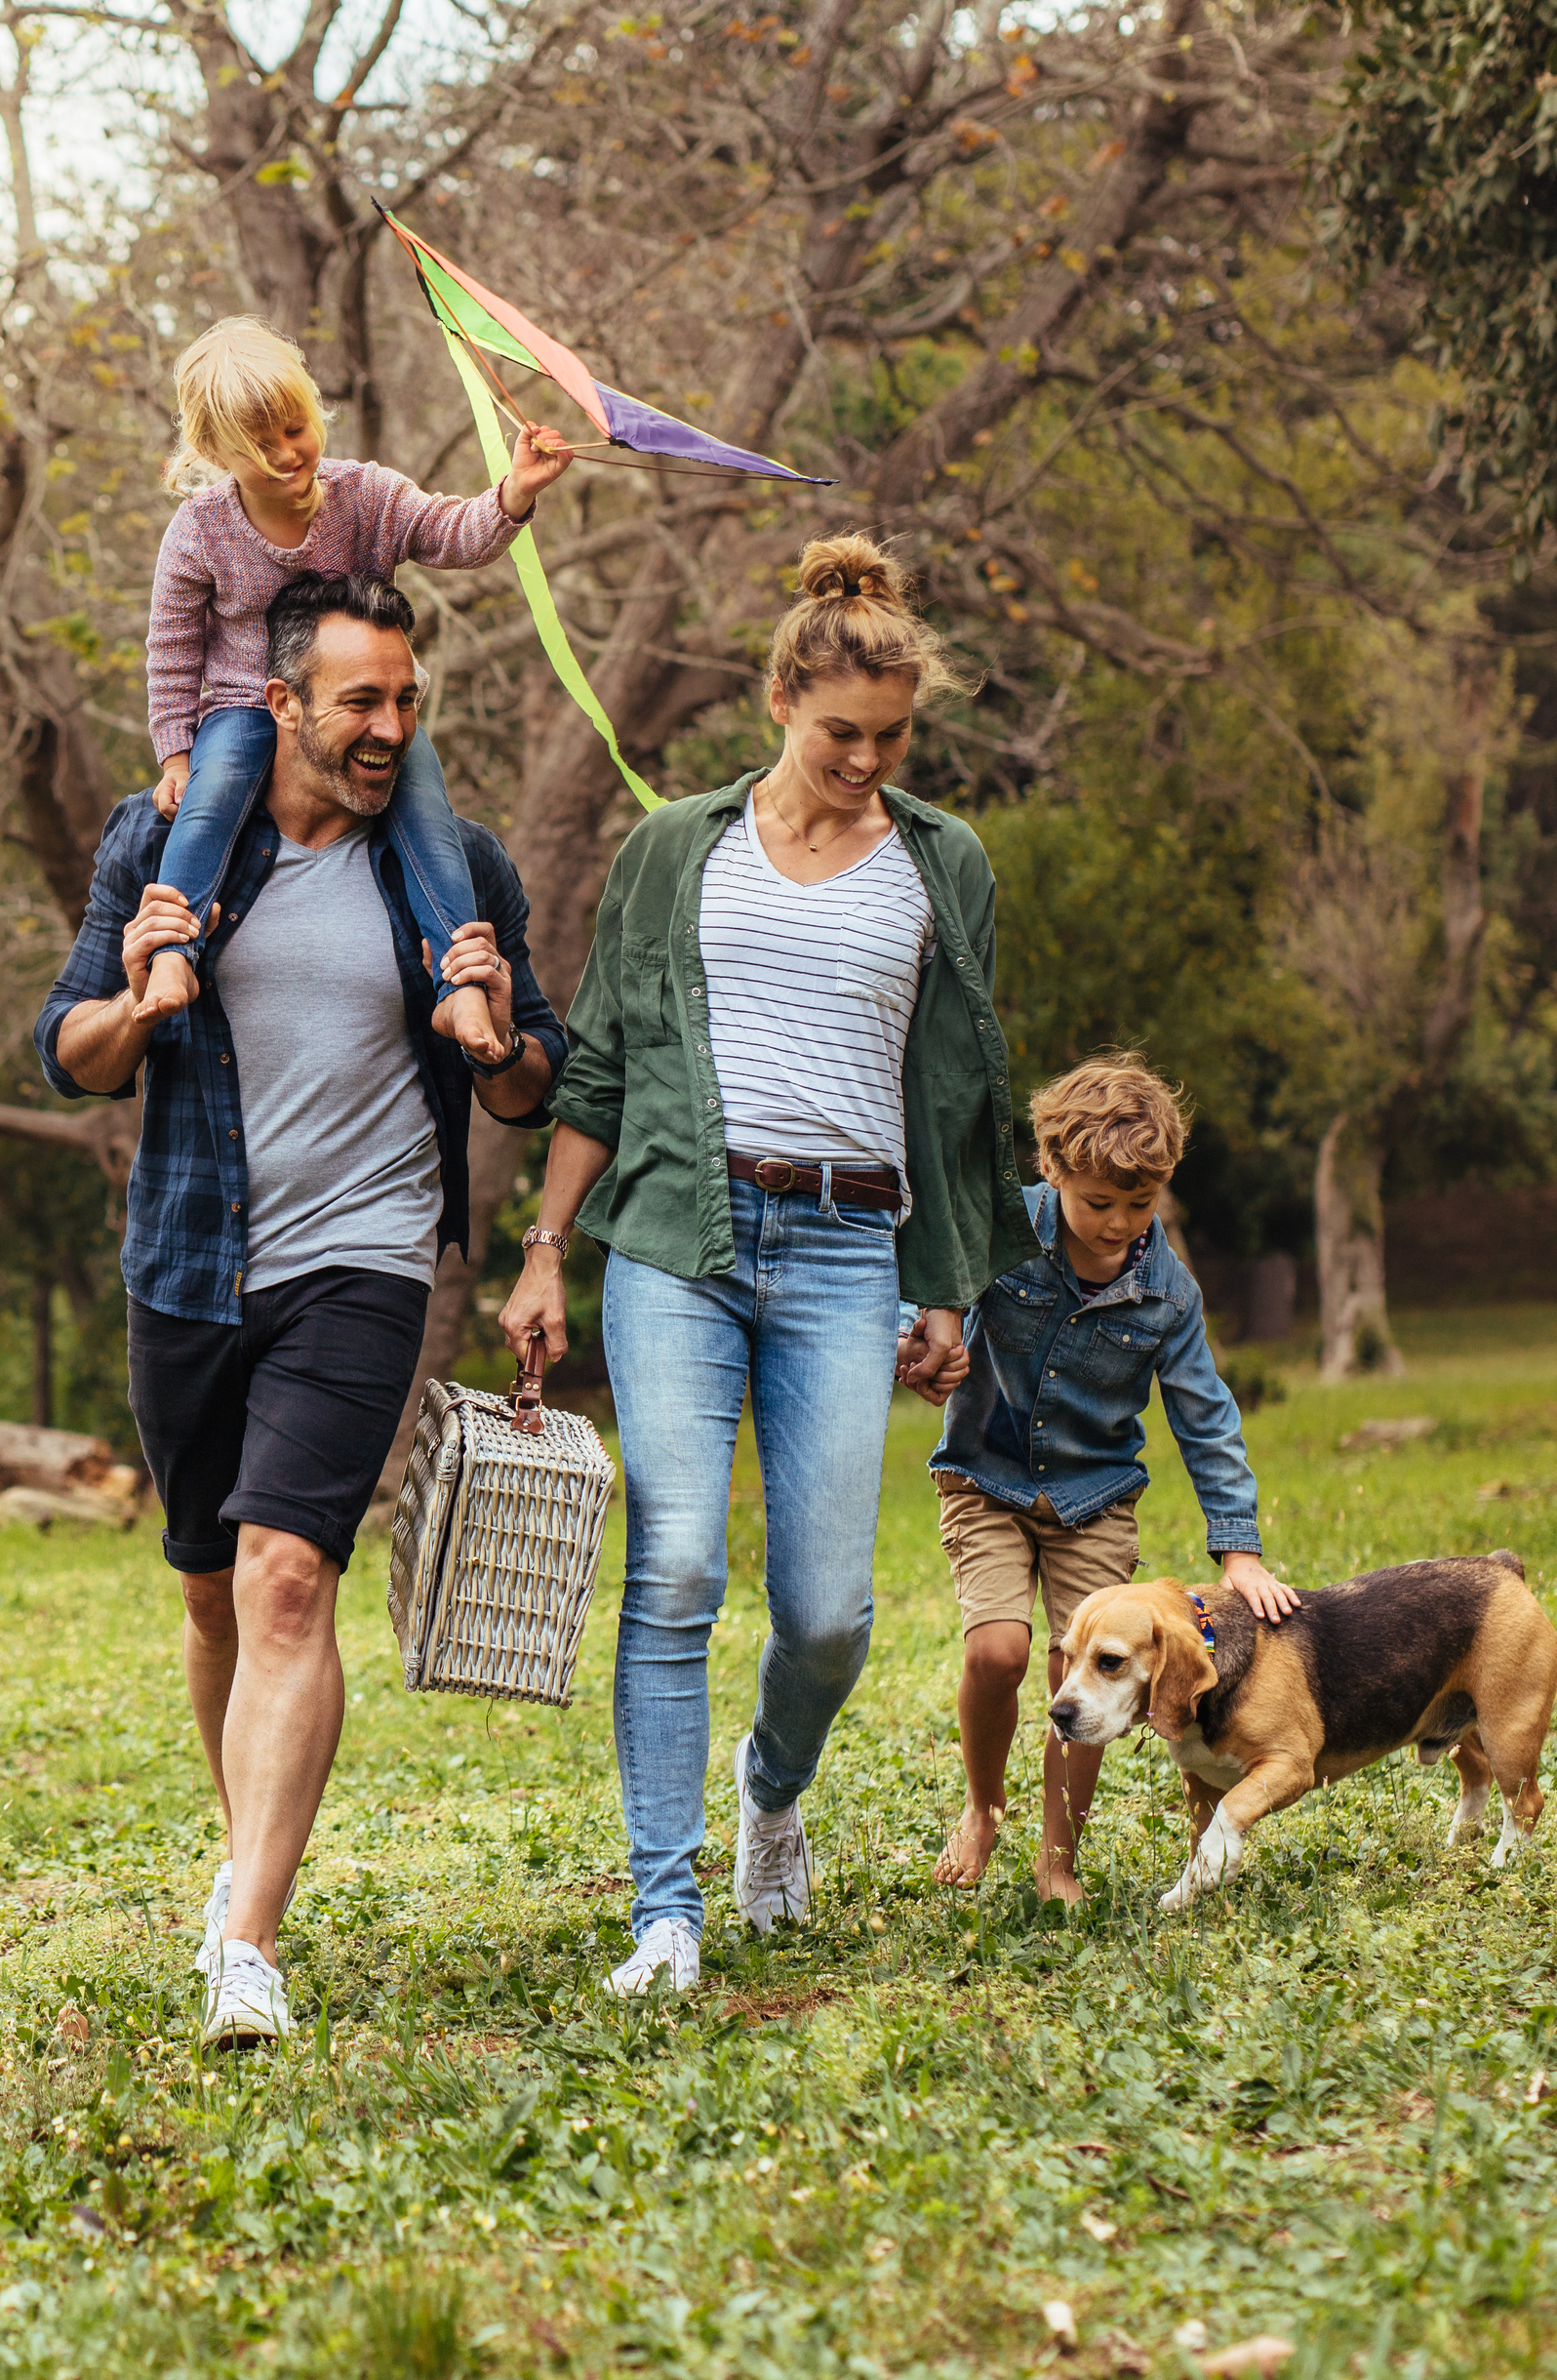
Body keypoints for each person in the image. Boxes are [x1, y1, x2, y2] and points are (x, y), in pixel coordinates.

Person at [34, 571, 568, 2049]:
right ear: (281, 702)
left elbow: (535, 1075)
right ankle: (240, 1853)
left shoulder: (451, 864)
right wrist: (139, 1008)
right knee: (210, 1581)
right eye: (360, 700)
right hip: (193, 1260)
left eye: (407, 698)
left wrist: (501, 1023)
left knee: (286, 1577)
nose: (389, 723)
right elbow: (65, 1046)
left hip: (368, 1257)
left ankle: (250, 1945)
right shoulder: (163, 842)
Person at [499, 534, 1029, 1997]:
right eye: (838, 732)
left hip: (849, 1245)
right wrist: (547, 1250)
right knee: (673, 1564)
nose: (865, 759)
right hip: (680, 1235)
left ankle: (771, 1781)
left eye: (891, 736)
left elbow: (963, 1090)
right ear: (779, 700)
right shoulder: (677, 845)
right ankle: (660, 1908)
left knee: (825, 1612)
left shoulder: (942, 864)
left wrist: (949, 1281)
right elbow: (596, 1066)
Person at [138, 316, 573, 1053]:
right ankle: (172, 955)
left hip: (361, 703)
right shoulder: (200, 530)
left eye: (294, 428)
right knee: (208, 806)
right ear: (215, 453)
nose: (284, 454)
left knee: (429, 819)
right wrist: (176, 753)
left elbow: (449, 532)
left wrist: (514, 492)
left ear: (314, 410)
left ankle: (461, 985)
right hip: (247, 702)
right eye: (258, 445)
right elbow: (173, 646)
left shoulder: (364, 494)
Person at [922, 1056, 1296, 1901]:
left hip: (1095, 1501)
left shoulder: (1167, 1291)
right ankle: (983, 1807)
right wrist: (923, 1350)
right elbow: (929, 1298)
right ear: (1051, 1172)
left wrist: (1237, 1551)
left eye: (1141, 1204)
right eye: (1098, 1203)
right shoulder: (998, 1231)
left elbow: (1205, 1415)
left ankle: (1058, 1860)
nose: (1119, 1222)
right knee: (997, 1649)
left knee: (1080, 1676)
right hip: (985, 1479)